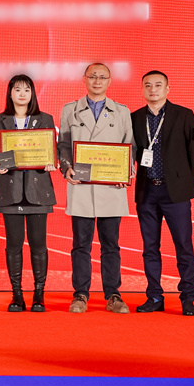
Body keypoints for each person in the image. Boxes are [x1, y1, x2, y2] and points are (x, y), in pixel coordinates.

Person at [58, 62, 134, 314]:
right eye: (93, 76)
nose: (97, 81)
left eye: (102, 77)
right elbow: (64, 145)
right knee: (81, 245)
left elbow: (130, 146)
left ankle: (113, 295)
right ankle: (80, 295)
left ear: (109, 81)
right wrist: (66, 167)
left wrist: (127, 172)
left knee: (111, 245)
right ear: (84, 79)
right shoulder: (70, 110)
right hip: (81, 186)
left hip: (111, 187)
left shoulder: (122, 111)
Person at [132, 71, 194, 316]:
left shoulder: (184, 115)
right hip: (147, 193)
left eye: (158, 85)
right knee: (150, 247)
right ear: (142, 89)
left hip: (176, 194)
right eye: (148, 85)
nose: (153, 89)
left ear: (167, 89)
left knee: (183, 245)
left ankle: (188, 298)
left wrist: (182, 181)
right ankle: (154, 296)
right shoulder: (134, 118)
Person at [0, 74, 56, 312]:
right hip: (10, 189)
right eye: (17, 89)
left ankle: (39, 295)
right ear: (10, 93)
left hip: (38, 191)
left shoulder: (45, 119)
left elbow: (52, 149)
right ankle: (17, 295)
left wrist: (51, 161)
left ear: (32, 93)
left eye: (27, 89)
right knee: (13, 245)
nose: (22, 94)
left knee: (38, 244)